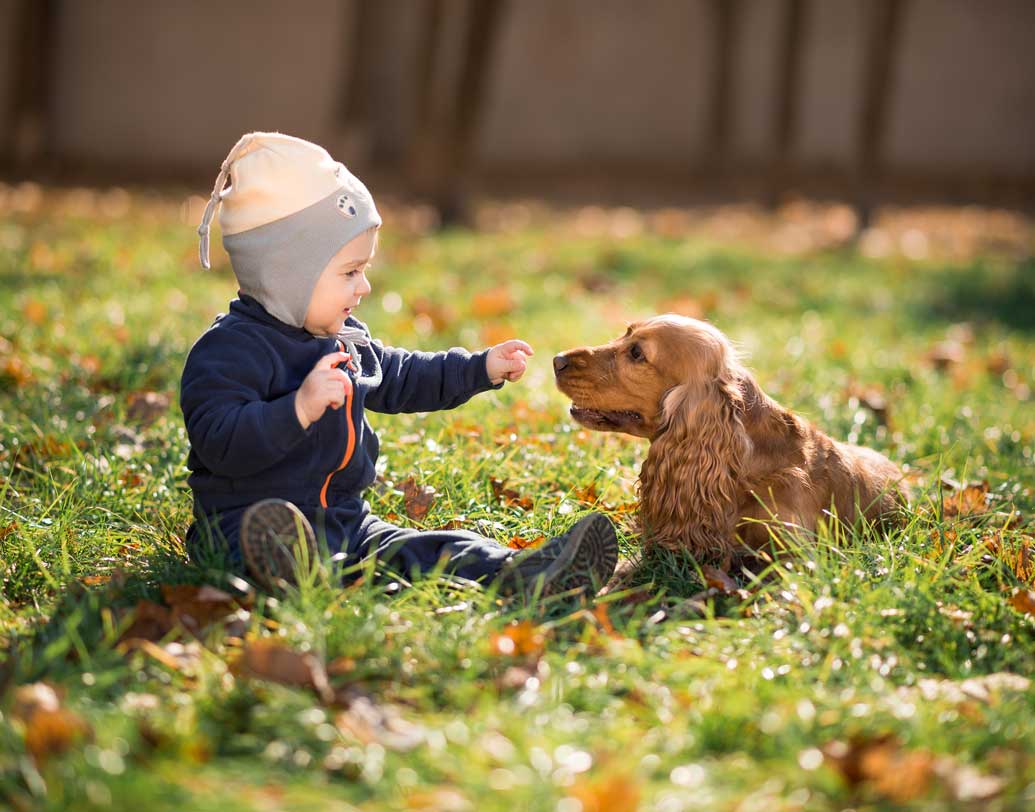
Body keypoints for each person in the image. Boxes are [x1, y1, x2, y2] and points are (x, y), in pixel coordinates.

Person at [181, 132, 617, 598]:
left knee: (427, 550)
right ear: (286, 275)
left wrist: (479, 369)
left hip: (345, 523)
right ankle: (288, 569)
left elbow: (405, 376)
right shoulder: (228, 352)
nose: (364, 286)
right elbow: (219, 441)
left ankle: (520, 572)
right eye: (349, 272)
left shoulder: (342, 341)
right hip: (239, 524)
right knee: (266, 543)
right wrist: (298, 409)